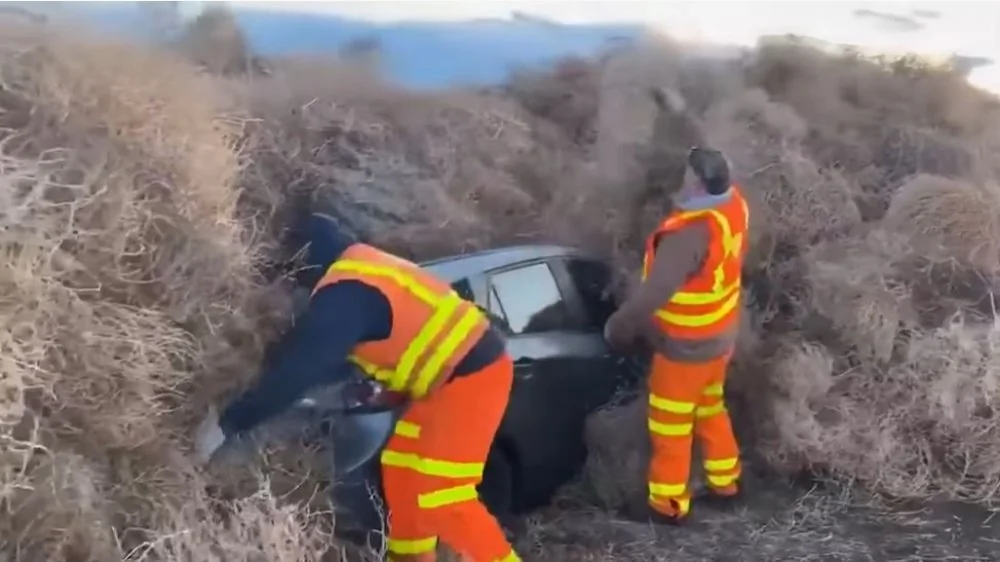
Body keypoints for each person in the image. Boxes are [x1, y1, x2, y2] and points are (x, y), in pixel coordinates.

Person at [194, 213, 521, 562]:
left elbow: (296, 372)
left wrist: (230, 422)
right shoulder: (358, 261)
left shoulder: (342, 299)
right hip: (442, 384)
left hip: (473, 377)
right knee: (403, 477)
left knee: (443, 495)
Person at [603, 147, 750, 525]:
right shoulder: (733, 206)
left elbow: (656, 292)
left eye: (688, 175)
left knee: (671, 424)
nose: (683, 179)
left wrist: (620, 326)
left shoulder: (688, 236)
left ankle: (666, 505)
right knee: (710, 406)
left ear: (698, 183)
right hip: (720, 337)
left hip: (686, 347)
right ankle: (727, 482)